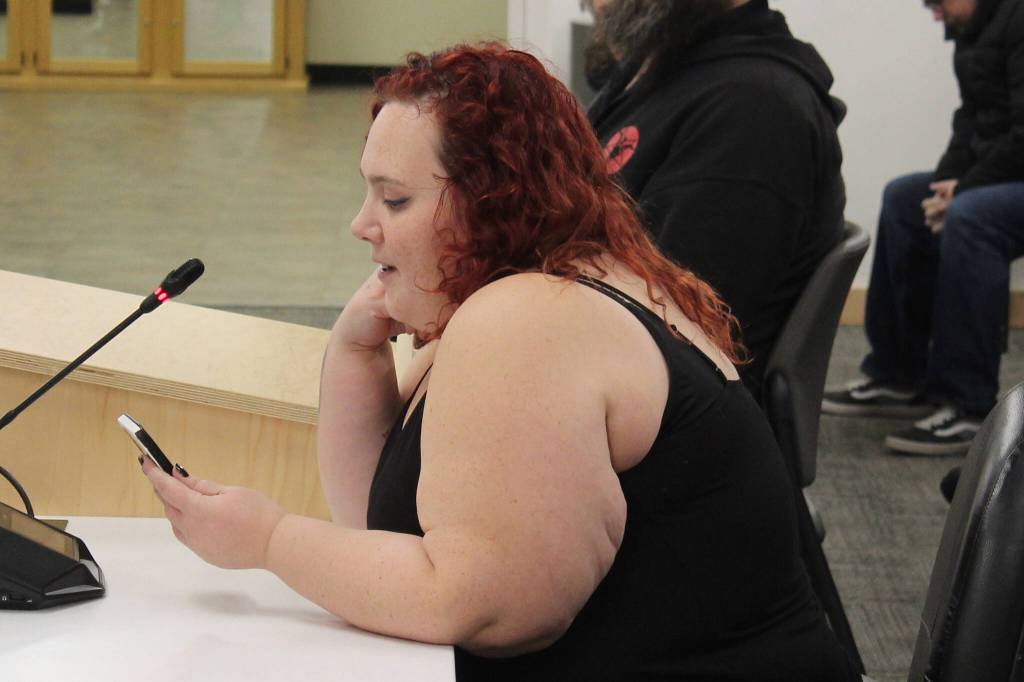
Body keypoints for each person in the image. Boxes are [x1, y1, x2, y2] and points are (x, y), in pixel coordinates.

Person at [140, 44, 859, 681]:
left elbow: (484, 610)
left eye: (395, 199)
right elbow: (383, 536)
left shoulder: (529, 319)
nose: (361, 225)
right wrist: (356, 352)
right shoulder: (538, 286)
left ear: (492, 201)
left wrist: (269, 539)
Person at [584, 0, 846, 402]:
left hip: (656, 413)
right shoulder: (662, 72)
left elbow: (670, 332)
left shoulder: (752, 109)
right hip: (601, 371)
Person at [823, 0, 1024, 457]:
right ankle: (898, 374)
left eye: (937, 2)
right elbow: (970, 121)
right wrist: (946, 183)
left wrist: (965, 189)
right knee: (904, 199)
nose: (934, 13)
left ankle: (968, 404)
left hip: (1011, 174)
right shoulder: (974, 28)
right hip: (1004, 171)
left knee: (972, 217)